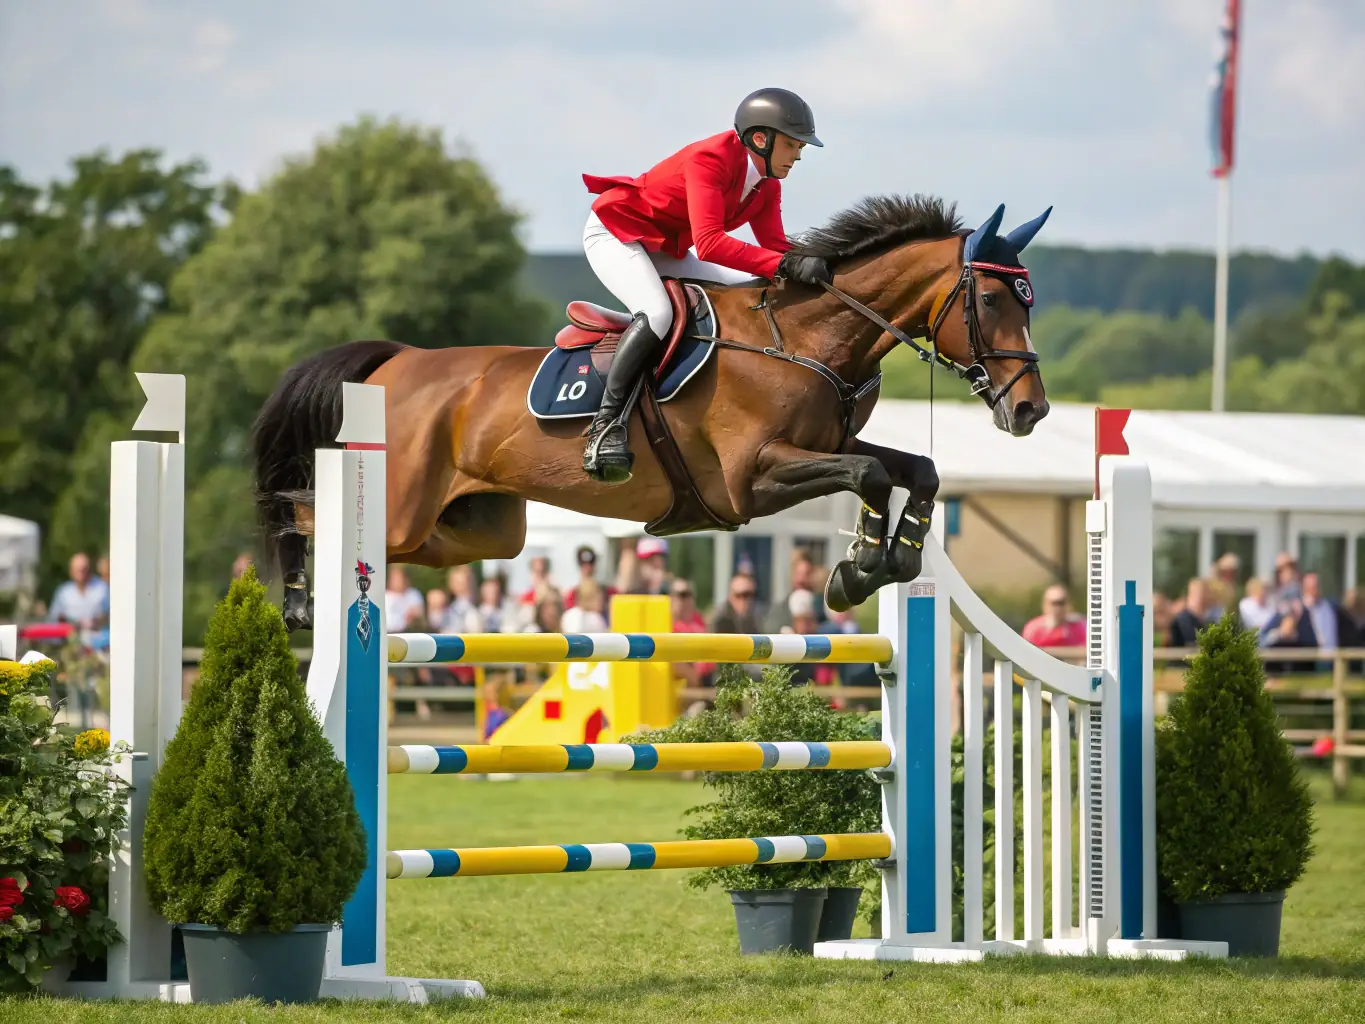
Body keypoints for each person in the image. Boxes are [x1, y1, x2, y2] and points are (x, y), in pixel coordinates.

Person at [579, 88, 828, 483]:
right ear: (760, 139)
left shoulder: (767, 183)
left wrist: (825, 264)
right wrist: (786, 264)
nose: (797, 155)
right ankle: (605, 427)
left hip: (666, 245)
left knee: (753, 288)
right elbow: (710, 243)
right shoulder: (708, 160)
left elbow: (774, 248)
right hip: (617, 233)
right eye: (793, 145)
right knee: (657, 312)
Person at [669, 578, 711, 688]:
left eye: (690, 595)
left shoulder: (699, 620)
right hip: (682, 687)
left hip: (706, 681)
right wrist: (696, 679)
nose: (687, 600)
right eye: (682, 595)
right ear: (671, 598)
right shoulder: (667, 624)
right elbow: (675, 664)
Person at [1021, 584, 1086, 650]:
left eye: (1061, 603)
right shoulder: (1033, 629)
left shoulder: (1078, 627)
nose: (1058, 608)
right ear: (1045, 605)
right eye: (1053, 603)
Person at [1168, 578, 1213, 648]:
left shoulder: (1202, 620)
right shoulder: (1184, 619)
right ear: (1189, 596)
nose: (1204, 598)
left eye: (1206, 593)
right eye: (1199, 594)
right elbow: (1192, 645)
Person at [384, 566, 426, 632]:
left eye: (399, 579)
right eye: (394, 579)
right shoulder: (385, 596)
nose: (397, 582)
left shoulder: (413, 594)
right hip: (387, 632)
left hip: (407, 632)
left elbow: (418, 613)